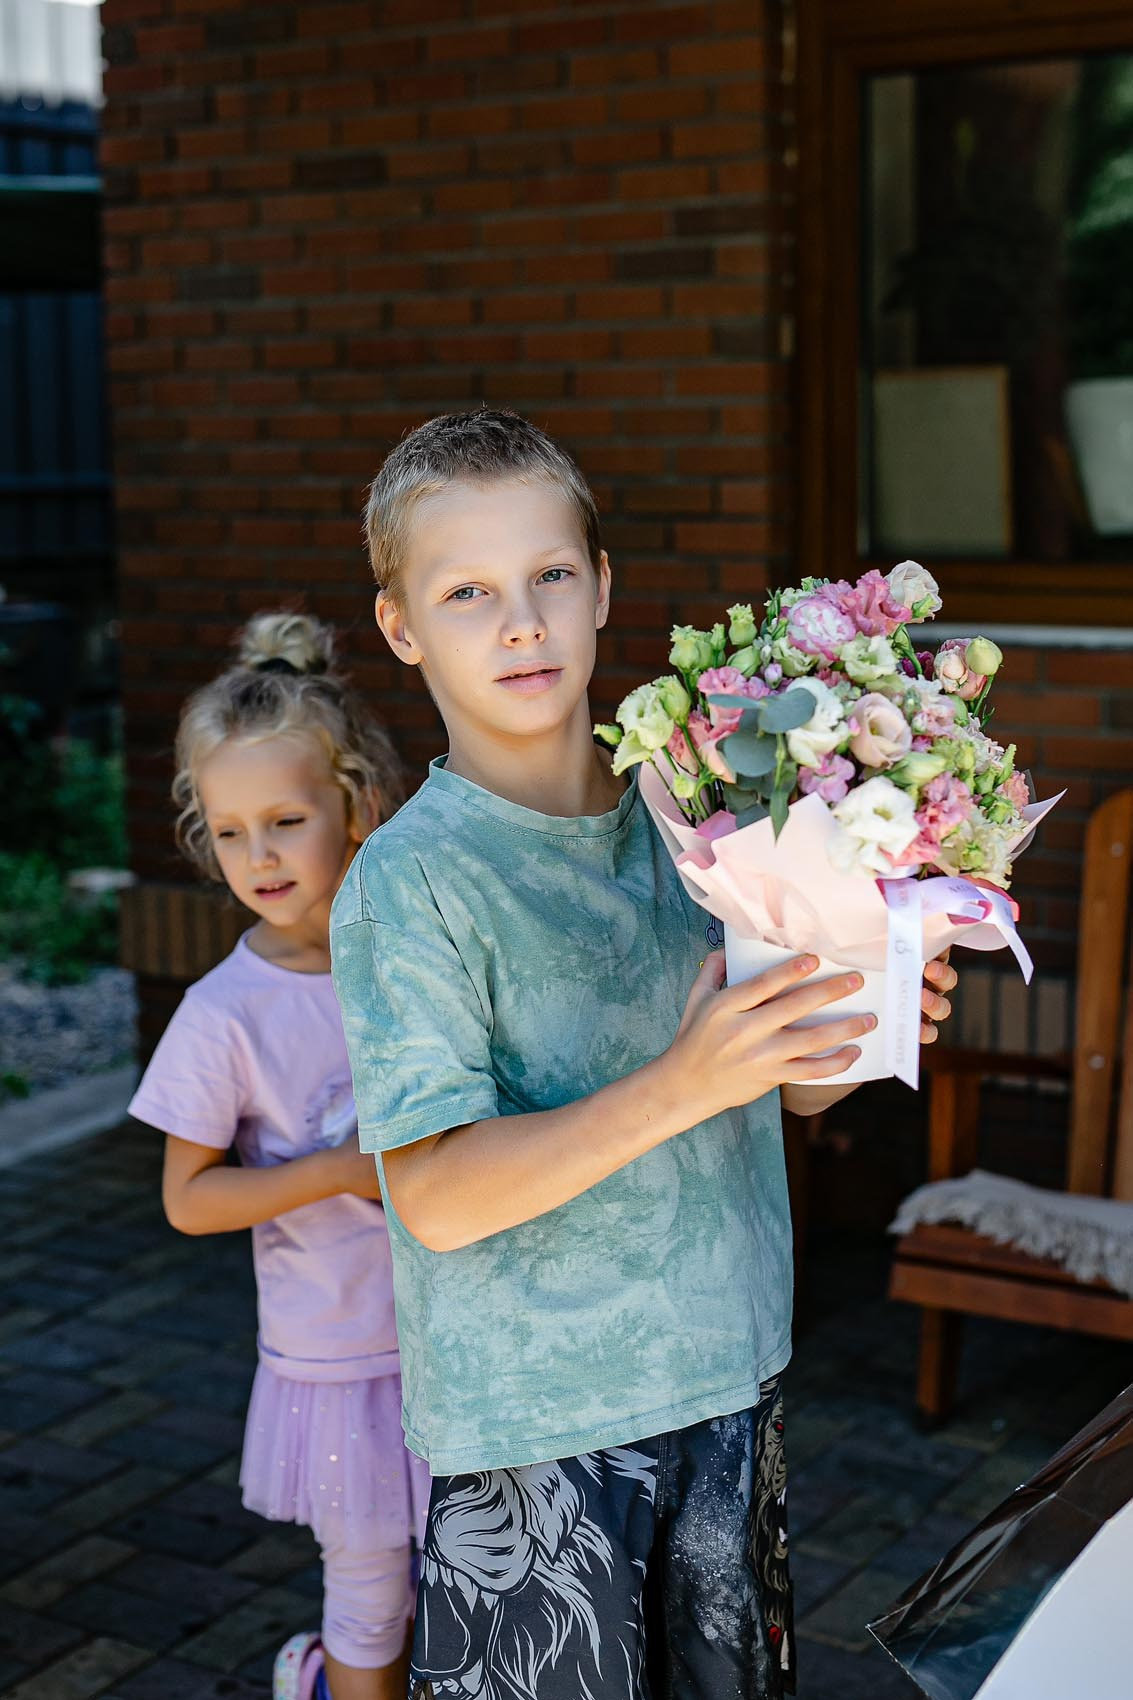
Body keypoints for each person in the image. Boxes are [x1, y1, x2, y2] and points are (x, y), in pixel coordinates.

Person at [330, 410, 957, 1700]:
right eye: (468, 592)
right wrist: (677, 1081)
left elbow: (776, 1087)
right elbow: (435, 1195)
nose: (521, 621)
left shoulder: (706, 820)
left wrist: (868, 1009)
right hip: (539, 1436)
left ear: (603, 585)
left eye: (551, 574)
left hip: (727, 1383)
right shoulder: (412, 883)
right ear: (400, 626)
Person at [128, 612, 429, 1700]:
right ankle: (330, 1678)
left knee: (470, 1571)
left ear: (356, 802)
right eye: (229, 828)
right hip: (338, 1354)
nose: (256, 855)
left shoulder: (414, 956)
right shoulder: (224, 1015)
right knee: (369, 1582)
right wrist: (342, 1170)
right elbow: (189, 1197)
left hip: (459, 1333)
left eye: (286, 820)